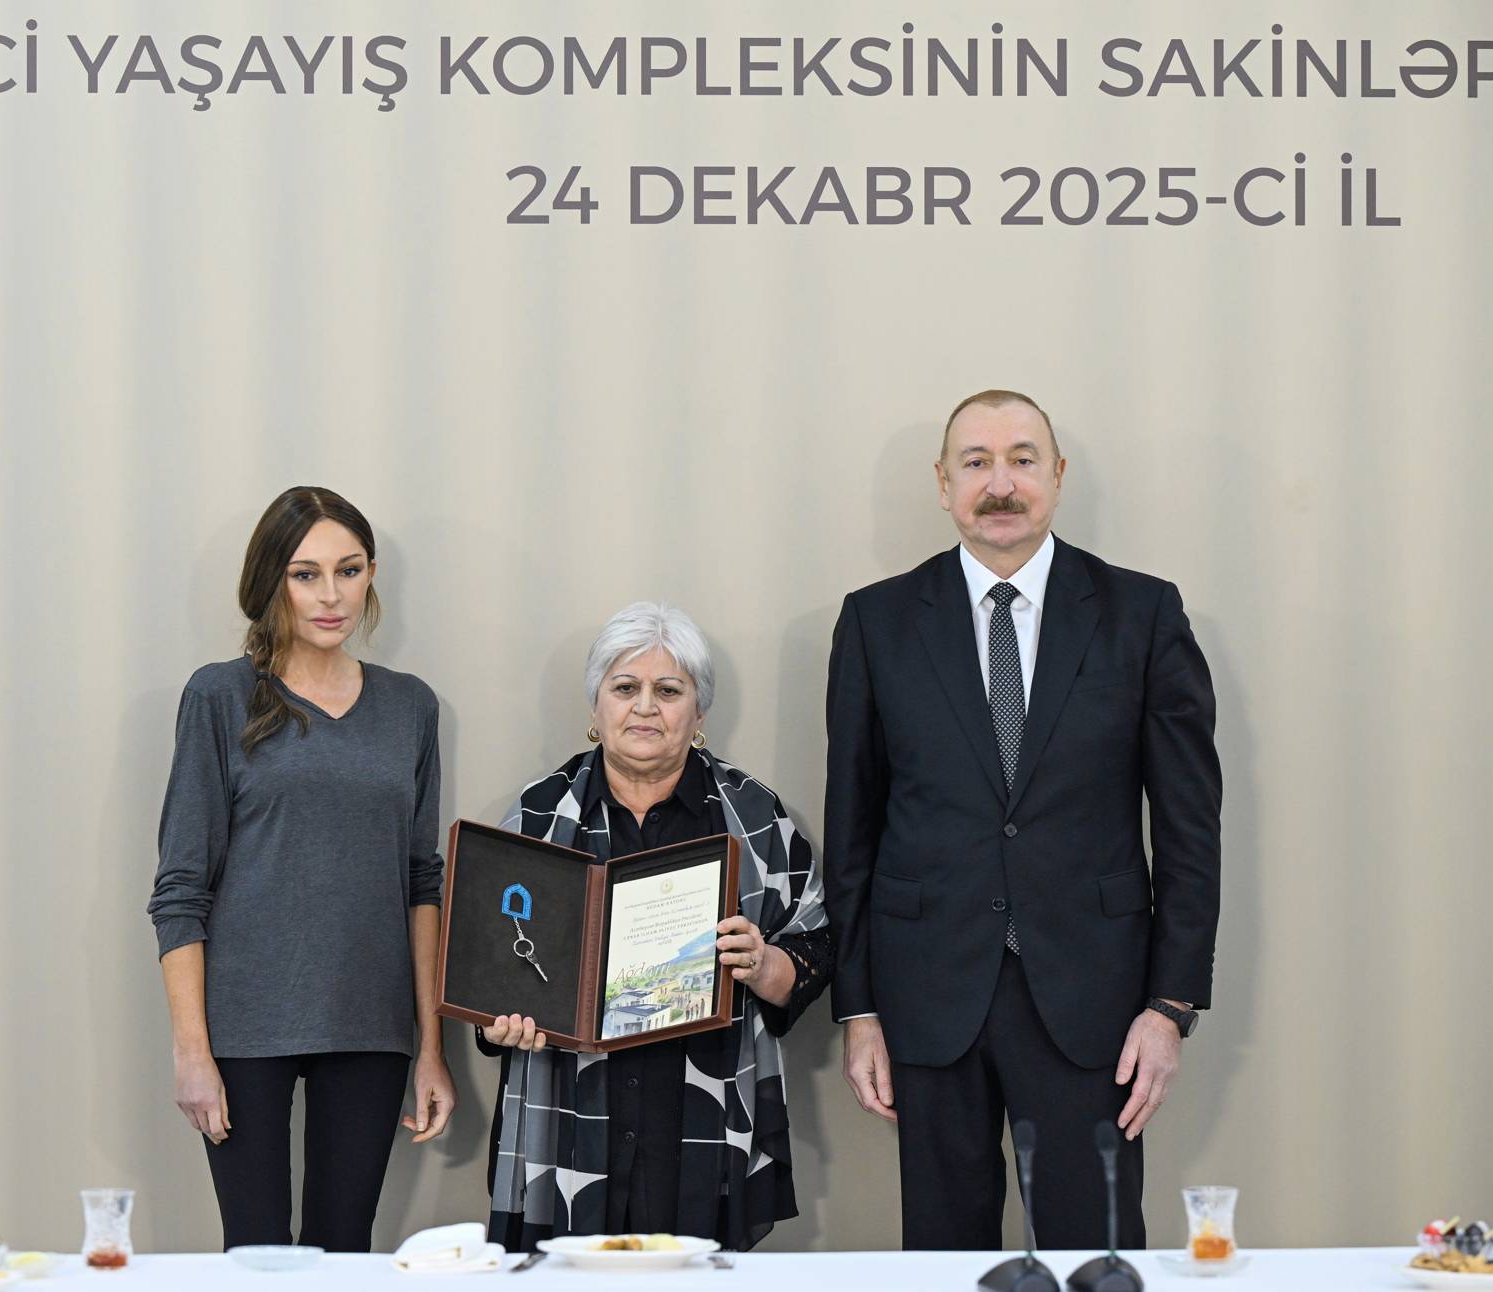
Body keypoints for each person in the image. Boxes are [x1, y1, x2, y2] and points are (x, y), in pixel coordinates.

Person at [825, 390, 1221, 1250]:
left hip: (1096, 1002)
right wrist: (859, 1009)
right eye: (975, 462)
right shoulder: (876, 622)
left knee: (1096, 1256)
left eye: (1021, 459)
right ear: (943, 484)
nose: (999, 484)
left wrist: (1170, 1004)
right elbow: (851, 831)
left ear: (1058, 476)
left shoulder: (1143, 614)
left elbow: (1191, 828)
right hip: (928, 996)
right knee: (943, 1260)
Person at [147, 486, 456, 1251]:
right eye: (305, 574)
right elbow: (181, 888)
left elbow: (422, 883)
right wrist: (192, 1052)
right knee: (256, 1255)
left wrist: (432, 1048)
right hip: (246, 1023)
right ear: (271, 581)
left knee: (345, 1253)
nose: (331, 595)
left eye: (348, 571)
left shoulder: (411, 708)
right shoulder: (219, 696)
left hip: (370, 1022)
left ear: (371, 575)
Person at [479, 602, 831, 1251]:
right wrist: (497, 1021)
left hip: (705, 1106)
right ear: (596, 706)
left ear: (699, 714)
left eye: (668, 691)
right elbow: (493, 964)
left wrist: (763, 965)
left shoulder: (754, 815)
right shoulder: (537, 815)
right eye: (625, 688)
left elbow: (816, 944)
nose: (645, 707)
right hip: (569, 1112)